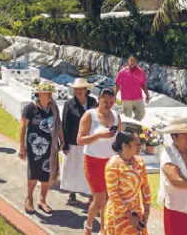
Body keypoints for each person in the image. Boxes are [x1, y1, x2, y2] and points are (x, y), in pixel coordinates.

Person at [78, 88, 121, 234]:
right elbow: (79, 140)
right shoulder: (90, 115)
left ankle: (104, 229)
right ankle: (88, 225)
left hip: (111, 162)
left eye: (111, 102)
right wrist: (98, 136)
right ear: (99, 99)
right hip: (93, 161)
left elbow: (119, 140)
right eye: (105, 102)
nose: (109, 105)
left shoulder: (116, 116)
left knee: (109, 199)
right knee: (99, 200)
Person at [18, 81, 63, 216]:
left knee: (46, 175)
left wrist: (62, 140)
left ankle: (42, 199)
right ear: (39, 94)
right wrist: (22, 146)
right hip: (34, 148)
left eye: (50, 92)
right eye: (46, 93)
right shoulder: (30, 108)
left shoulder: (53, 108)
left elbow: (58, 124)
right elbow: (22, 127)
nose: (49, 95)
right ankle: (29, 198)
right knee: (33, 174)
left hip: (50, 148)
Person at [103, 130, 151, 235]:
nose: (140, 147)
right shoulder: (113, 164)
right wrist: (129, 216)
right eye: (137, 144)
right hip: (118, 215)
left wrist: (146, 211)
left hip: (137, 214)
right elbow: (113, 194)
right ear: (125, 146)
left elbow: (145, 187)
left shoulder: (140, 162)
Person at [60, 78, 98, 203]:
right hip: (73, 141)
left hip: (89, 140)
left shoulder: (93, 102)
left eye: (80, 89)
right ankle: (72, 192)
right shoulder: (69, 104)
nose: (78, 91)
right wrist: (64, 144)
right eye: (76, 89)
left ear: (86, 90)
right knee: (72, 167)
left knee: (88, 168)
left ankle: (90, 194)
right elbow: (65, 124)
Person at [114, 56, 149, 121]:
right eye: (131, 60)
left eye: (134, 61)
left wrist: (147, 95)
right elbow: (117, 85)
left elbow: (143, 84)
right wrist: (114, 95)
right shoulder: (123, 72)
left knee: (142, 113)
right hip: (126, 99)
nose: (133, 62)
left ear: (136, 62)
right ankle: (129, 126)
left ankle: (134, 123)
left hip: (138, 97)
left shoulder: (140, 72)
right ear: (128, 61)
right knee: (127, 117)